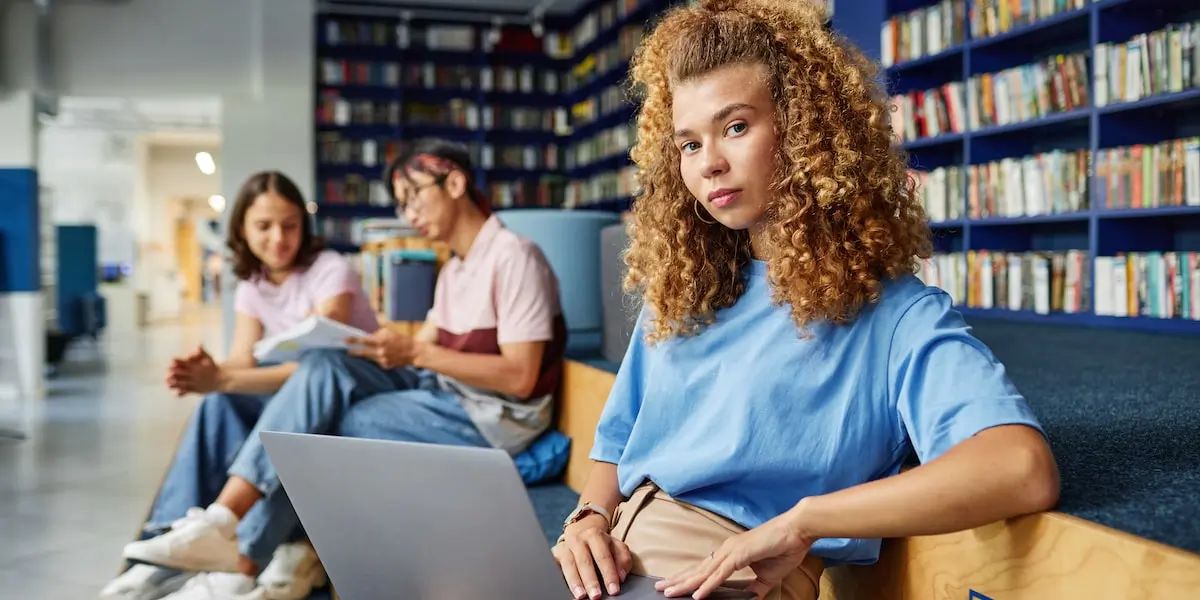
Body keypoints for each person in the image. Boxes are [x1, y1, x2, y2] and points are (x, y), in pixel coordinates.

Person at [550, 2, 1061, 600]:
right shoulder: (686, 287)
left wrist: (806, 522)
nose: (709, 162)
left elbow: (1020, 468)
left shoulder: (896, 315)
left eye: (735, 127)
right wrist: (585, 520)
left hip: (725, 575)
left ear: (802, 129)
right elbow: (617, 444)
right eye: (688, 143)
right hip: (606, 561)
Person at [121, 138, 568, 599]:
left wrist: (412, 353)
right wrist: (379, 350)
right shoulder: (455, 269)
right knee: (324, 366)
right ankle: (222, 524)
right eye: (401, 203)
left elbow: (520, 377)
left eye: (413, 196)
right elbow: (425, 349)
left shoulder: (514, 256)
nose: (408, 213)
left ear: (454, 182)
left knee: (331, 420)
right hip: (443, 391)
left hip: (494, 416)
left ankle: (242, 556)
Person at [108, 171, 378, 600]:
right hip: (290, 393)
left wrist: (225, 377)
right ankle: (166, 552)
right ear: (242, 230)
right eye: (264, 226)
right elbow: (242, 360)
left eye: (289, 225)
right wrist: (213, 372)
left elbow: (321, 371)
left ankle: (233, 551)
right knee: (217, 404)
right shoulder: (252, 286)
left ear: (304, 226)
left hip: (340, 394)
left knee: (277, 421)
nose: (278, 238)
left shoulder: (331, 271)